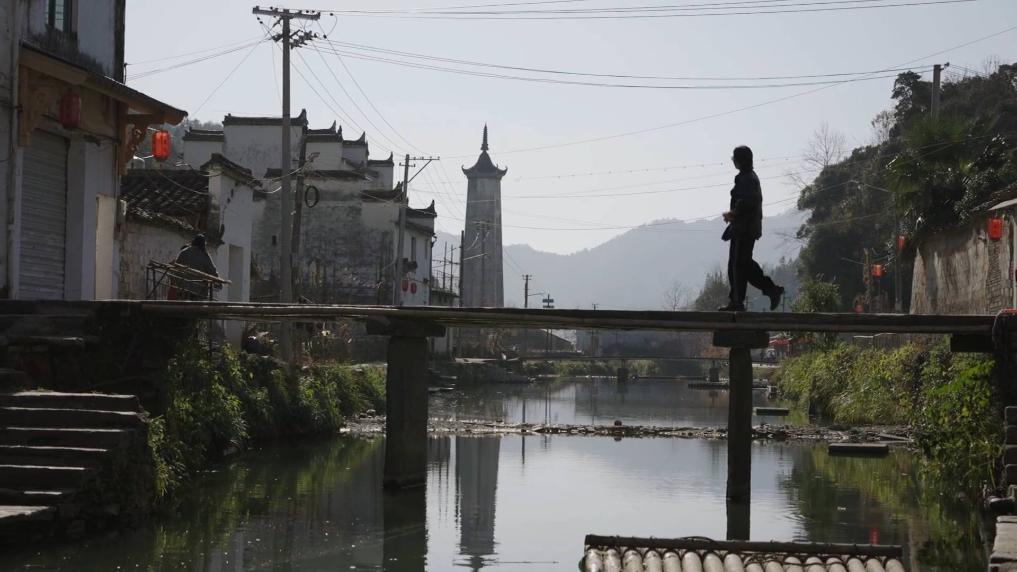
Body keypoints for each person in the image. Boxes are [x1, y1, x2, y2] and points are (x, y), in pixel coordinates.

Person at [719, 145, 784, 312]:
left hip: (743, 230)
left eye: (734, 158)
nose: (733, 161)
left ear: (739, 160)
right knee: (744, 265)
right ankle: (770, 289)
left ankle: (736, 302)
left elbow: (747, 203)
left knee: (736, 266)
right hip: (747, 229)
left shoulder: (747, 179)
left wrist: (733, 213)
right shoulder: (749, 177)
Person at [170, 234, 219, 300]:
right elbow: (212, 270)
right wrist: (217, 280)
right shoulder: (204, 255)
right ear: (203, 244)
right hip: (198, 291)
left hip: (183, 288)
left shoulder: (184, 252)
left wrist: (179, 284)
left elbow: (176, 268)